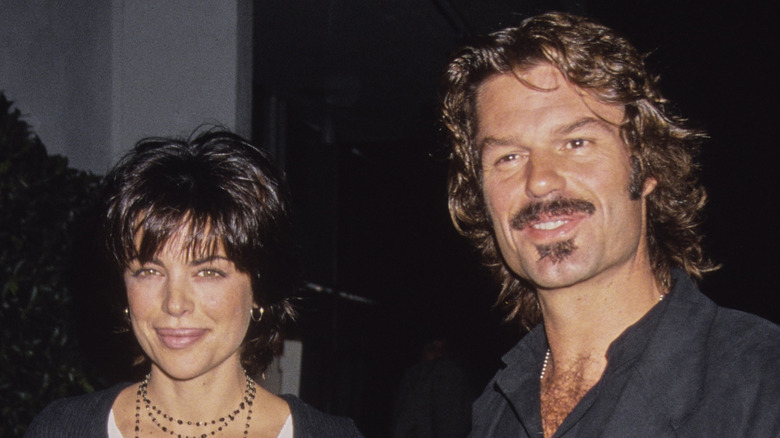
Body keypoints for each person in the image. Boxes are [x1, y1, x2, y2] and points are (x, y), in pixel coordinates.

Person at [440, 11, 780, 437]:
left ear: (646, 165)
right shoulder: (494, 413)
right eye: (508, 157)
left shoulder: (761, 382)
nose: (539, 180)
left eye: (576, 142)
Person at [25, 129, 364, 437]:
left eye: (208, 272)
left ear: (259, 289)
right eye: (149, 272)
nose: (175, 303)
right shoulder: (60, 430)